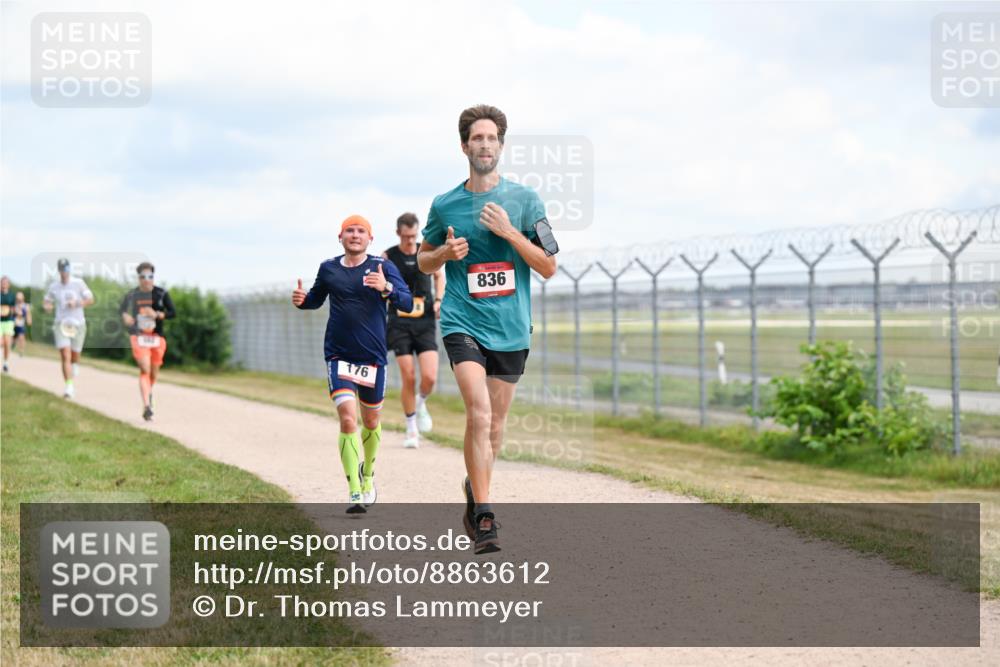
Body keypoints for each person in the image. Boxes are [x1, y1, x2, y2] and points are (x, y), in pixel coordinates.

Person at [418, 105, 557, 554]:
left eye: (491, 138)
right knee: (477, 414)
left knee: (494, 428)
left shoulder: (527, 201)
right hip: (462, 321)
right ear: (464, 146)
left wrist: (511, 233)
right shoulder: (444, 204)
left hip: (512, 328)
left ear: (501, 145)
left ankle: (473, 489)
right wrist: (444, 254)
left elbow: (549, 266)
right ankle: (485, 517)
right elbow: (423, 259)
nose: (484, 145)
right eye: (476, 138)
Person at [292, 214, 413, 514]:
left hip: (373, 357)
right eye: (350, 230)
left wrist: (386, 287)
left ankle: (368, 474)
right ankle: (354, 491)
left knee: (371, 422)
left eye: (361, 231)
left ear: (370, 239)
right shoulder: (329, 268)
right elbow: (315, 299)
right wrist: (302, 300)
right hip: (338, 356)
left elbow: (407, 302)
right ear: (340, 237)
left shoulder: (382, 266)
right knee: (348, 419)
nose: (355, 235)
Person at [383, 212, 445, 449]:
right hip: (399, 322)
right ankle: (411, 430)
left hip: (425, 320)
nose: (410, 240)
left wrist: (438, 299)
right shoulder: (388, 256)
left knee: (429, 377)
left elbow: (439, 276)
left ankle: (419, 406)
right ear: (398, 233)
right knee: (408, 375)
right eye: (406, 236)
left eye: (414, 235)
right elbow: (380, 282)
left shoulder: (425, 251)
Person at [120, 262, 176, 421]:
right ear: (139, 278)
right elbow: (122, 310)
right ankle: (146, 405)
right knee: (144, 369)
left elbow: (173, 312)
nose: (146, 279)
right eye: (143, 277)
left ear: (153, 277)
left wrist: (158, 314)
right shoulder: (132, 295)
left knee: (153, 372)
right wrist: (126, 316)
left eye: (149, 276)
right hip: (139, 336)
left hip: (157, 338)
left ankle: (148, 395)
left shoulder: (161, 294)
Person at [42, 258, 95, 398]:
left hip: (78, 323)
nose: (64, 271)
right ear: (59, 270)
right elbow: (47, 301)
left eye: (66, 269)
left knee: (75, 355)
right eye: (61, 269)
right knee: (65, 355)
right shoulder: (54, 286)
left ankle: (75, 364)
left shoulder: (78, 283)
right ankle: (69, 386)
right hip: (61, 323)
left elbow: (90, 299)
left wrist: (77, 302)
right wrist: (47, 306)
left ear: (69, 269)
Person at [0, 277, 14, 372]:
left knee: (7, 343)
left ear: (8, 284)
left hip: (8, 321)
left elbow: (13, 308)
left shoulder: (11, 295)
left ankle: (5, 363)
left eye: (6, 282)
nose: (4, 284)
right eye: (2, 282)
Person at [12, 291, 32, 357]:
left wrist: (29, 320)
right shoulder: (14, 305)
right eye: (18, 297)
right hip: (13, 324)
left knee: (21, 337)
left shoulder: (26, 306)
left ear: (23, 298)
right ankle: (12, 345)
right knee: (13, 339)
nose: (19, 299)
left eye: (20, 297)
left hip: (21, 325)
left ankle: (21, 351)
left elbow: (28, 315)